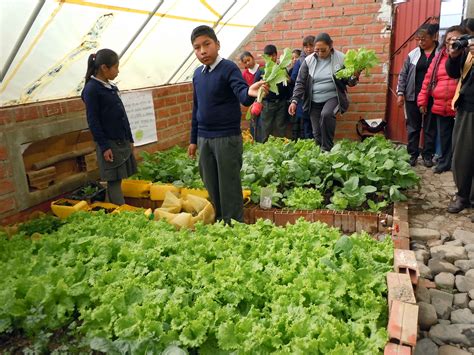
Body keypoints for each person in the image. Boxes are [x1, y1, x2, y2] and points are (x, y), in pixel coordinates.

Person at [187, 25, 267, 224]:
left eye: (207, 44)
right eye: (197, 47)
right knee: (211, 183)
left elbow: (241, 92)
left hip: (226, 138)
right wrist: (193, 140)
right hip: (204, 138)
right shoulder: (198, 74)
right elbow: (197, 107)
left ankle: (233, 224)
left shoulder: (228, 68)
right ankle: (220, 220)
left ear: (217, 45)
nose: (203, 51)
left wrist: (250, 91)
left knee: (228, 184)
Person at [81, 48, 136, 205]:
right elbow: (93, 121)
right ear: (104, 68)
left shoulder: (111, 88)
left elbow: (122, 116)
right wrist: (104, 147)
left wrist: (130, 138)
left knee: (118, 179)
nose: (118, 71)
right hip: (109, 142)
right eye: (116, 67)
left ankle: (118, 209)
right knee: (113, 180)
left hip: (121, 139)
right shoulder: (92, 89)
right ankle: (122, 212)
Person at [289, 32, 357, 151]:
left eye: (323, 50)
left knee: (326, 115)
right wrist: (294, 101)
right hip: (313, 100)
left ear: (330, 46)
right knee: (317, 133)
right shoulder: (308, 61)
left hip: (333, 97)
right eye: (317, 50)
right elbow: (300, 82)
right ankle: (322, 156)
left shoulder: (341, 59)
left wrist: (355, 76)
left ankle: (327, 149)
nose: (320, 53)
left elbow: (350, 82)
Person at [417, 25, 467, 174]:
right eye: (449, 39)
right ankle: (445, 163)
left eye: (456, 38)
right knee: (444, 136)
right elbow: (428, 80)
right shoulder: (438, 57)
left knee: (459, 138)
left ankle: (457, 165)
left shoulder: (467, 55)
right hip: (441, 104)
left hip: (459, 104)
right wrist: (422, 100)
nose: (452, 42)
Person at [397, 24, 439, 167]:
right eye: (419, 39)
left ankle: (427, 155)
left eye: (424, 39)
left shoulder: (440, 54)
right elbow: (403, 74)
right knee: (413, 127)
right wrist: (400, 93)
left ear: (434, 37)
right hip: (412, 95)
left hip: (433, 97)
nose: (421, 42)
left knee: (430, 127)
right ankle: (412, 155)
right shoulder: (413, 54)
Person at [445, 18, 474, 214]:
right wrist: (454, 56)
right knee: (461, 155)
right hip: (466, 108)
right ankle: (462, 195)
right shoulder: (467, 54)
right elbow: (453, 73)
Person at [261, 44, 290, 141]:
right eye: (268, 56)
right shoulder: (262, 71)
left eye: (273, 55)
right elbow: (257, 87)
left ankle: (281, 148)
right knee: (266, 127)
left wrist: (288, 79)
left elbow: (288, 84)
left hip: (281, 102)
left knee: (281, 126)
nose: (271, 58)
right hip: (267, 104)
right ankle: (263, 148)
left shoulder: (282, 68)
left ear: (276, 55)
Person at [291, 35, 315, 139]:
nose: (309, 49)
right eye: (306, 47)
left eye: (311, 46)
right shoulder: (300, 61)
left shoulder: (321, 59)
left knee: (317, 125)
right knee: (306, 124)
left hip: (317, 97)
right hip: (303, 98)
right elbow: (294, 78)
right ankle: (308, 148)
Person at [240, 51, 263, 142]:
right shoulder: (244, 74)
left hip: (262, 99)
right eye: (245, 62)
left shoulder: (261, 68)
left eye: (248, 60)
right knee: (253, 122)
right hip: (252, 102)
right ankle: (255, 140)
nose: (248, 63)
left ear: (252, 58)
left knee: (262, 122)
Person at [287, 49, 303, 140]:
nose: (294, 60)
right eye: (292, 58)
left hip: (301, 100)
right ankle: (294, 141)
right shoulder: (290, 71)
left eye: (296, 57)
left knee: (302, 124)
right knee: (294, 123)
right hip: (292, 101)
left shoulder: (303, 69)